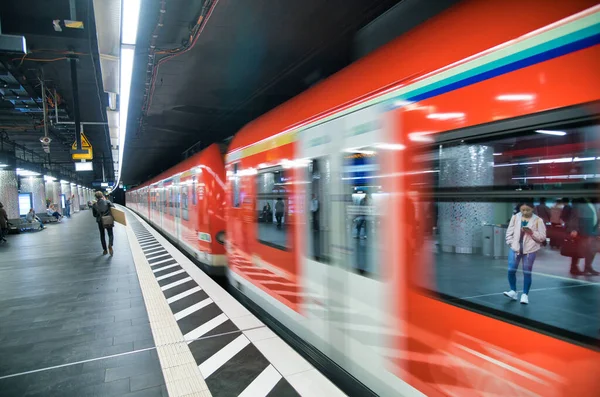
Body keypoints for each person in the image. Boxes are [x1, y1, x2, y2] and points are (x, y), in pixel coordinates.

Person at [504, 202, 547, 304]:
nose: (525, 212)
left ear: (532, 209)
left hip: (530, 249)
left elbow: (542, 237)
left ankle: (525, 295)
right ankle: (513, 291)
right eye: (522, 210)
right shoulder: (515, 217)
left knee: (526, 272)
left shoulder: (538, 220)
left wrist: (531, 232)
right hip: (515, 248)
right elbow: (509, 233)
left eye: (527, 210)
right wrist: (511, 243)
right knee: (511, 270)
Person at [566, 198, 600, 276]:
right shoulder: (579, 203)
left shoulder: (593, 204)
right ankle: (574, 267)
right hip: (582, 231)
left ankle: (588, 267)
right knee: (578, 250)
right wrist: (573, 229)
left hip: (592, 231)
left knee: (592, 250)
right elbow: (574, 217)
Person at [92, 191, 114, 256]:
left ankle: (105, 250)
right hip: (108, 220)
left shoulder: (94, 205)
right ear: (102, 196)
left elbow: (94, 215)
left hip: (100, 221)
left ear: (96, 197)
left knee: (102, 235)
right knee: (110, 234)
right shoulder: (107, 202)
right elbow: (113, 208)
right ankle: (110, 245)